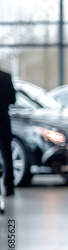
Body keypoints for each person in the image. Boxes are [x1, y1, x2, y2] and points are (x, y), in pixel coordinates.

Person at [0, 69, 16, 197]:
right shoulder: (6, 77)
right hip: (3, 121)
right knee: (7, 154)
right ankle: (9, 186)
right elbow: (12, 99)